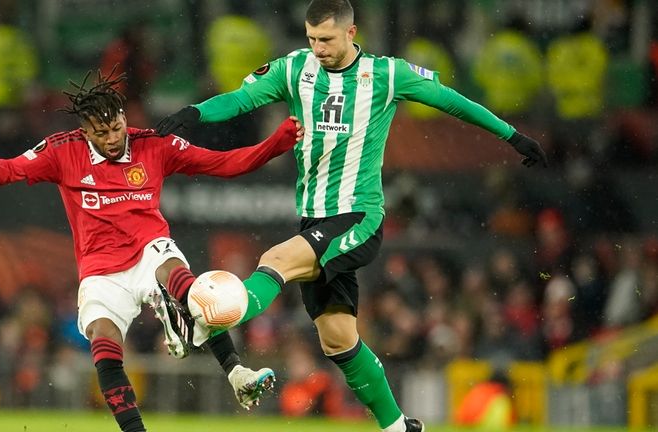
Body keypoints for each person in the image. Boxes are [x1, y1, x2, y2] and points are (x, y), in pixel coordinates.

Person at [156, 1, 547, 431]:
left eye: (326, 39)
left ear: (351, 32)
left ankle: (199, 315)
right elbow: (242, 99)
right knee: (338, 339)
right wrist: (193, 115)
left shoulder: (387, 74)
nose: (318, 48)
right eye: (311, 39)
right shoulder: (294, 70)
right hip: (313, 219)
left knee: (275, 261)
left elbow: (452, 102)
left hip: (357, 216)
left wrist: (512, 136)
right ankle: (398, 427)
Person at [0, 69, 303, 432]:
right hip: (100, 271)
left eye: (117, 127)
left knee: (181, 279)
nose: (113, 138)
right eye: (102, 133)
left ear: (125, 119)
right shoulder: (63, 150)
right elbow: (6, 172)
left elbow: (224, 163)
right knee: (104, 342)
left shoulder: (154, 144)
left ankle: (237, 372)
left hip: (149, 250)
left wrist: (277, 143)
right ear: (85, 131)